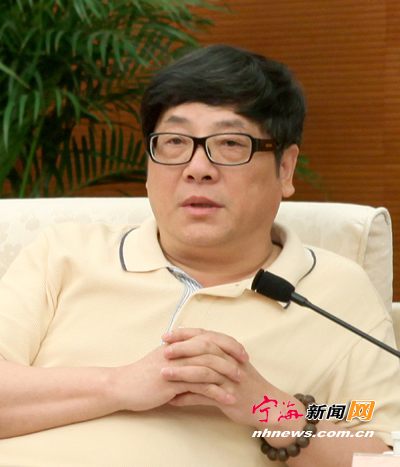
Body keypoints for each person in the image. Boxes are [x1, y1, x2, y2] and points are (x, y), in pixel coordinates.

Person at [0, 44, 399, 467]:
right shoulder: (65, 253)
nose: (197, 168)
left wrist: (268, 407)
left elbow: (382, 448)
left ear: (285, 168)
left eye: (230, 143)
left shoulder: (333, 292)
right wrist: (118, 385)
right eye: (174, 142)